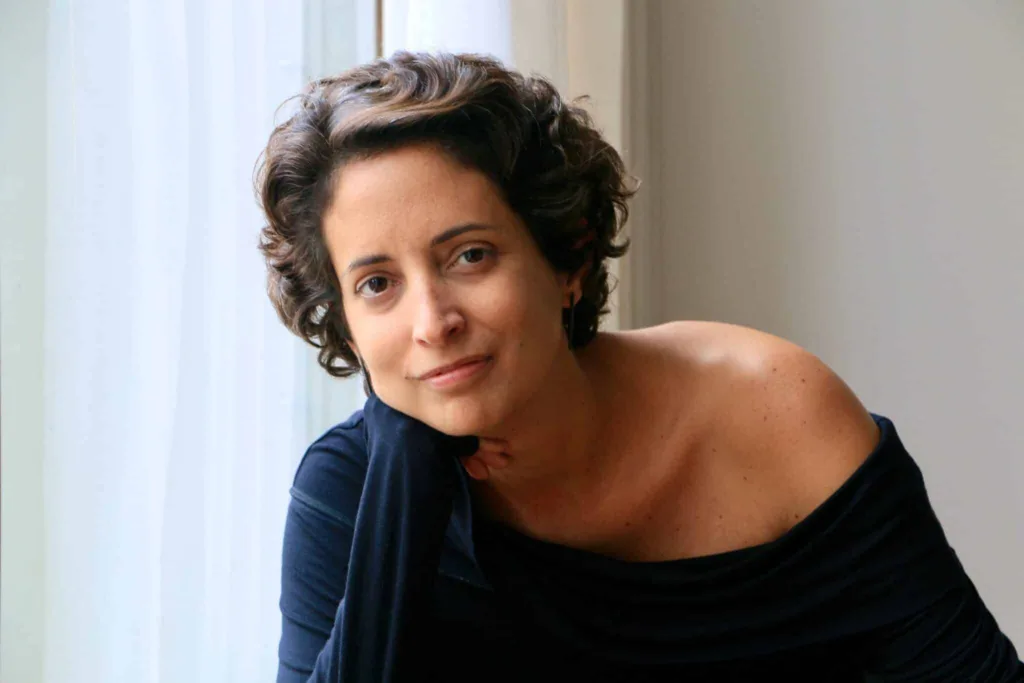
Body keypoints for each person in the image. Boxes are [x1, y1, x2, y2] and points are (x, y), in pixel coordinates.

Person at [257, 51, 1021, 682]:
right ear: (347, 322)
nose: (432, 324)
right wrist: (404, 478)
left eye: (470, 255)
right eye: (377, 284)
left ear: (569, 257)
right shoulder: (352, 488)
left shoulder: (775, 415)